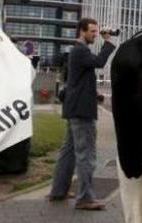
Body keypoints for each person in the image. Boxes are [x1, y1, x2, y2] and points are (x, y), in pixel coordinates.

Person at [47, 17, 116, 210]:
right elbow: (100, 62)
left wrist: (95, 94)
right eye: (92, 32)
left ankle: (58, 191)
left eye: (96, 31)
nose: (95, 35)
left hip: (74, 108)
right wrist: (108, 42)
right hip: (82, 111)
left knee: (68, 153)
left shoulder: (76, 52)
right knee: (86, 154)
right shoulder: (80, 50)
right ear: (82, 31)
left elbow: (79, 80)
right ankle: (85, 198)